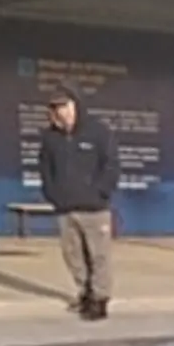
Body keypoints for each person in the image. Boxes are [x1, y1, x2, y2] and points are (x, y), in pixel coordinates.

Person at [37, 85, 120, 321]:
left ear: (75, 105)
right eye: (55, 107)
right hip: (65, 207)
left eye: (64, 106)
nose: (61, 111)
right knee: (72, 254)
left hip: (94, 207)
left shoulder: (98, 132)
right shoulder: (50, 137)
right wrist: (52, 194)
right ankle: (84, 292)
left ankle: (100, 299)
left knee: (98, 255)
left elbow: (111, 164)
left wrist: (101, 191)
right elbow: (45, 168)